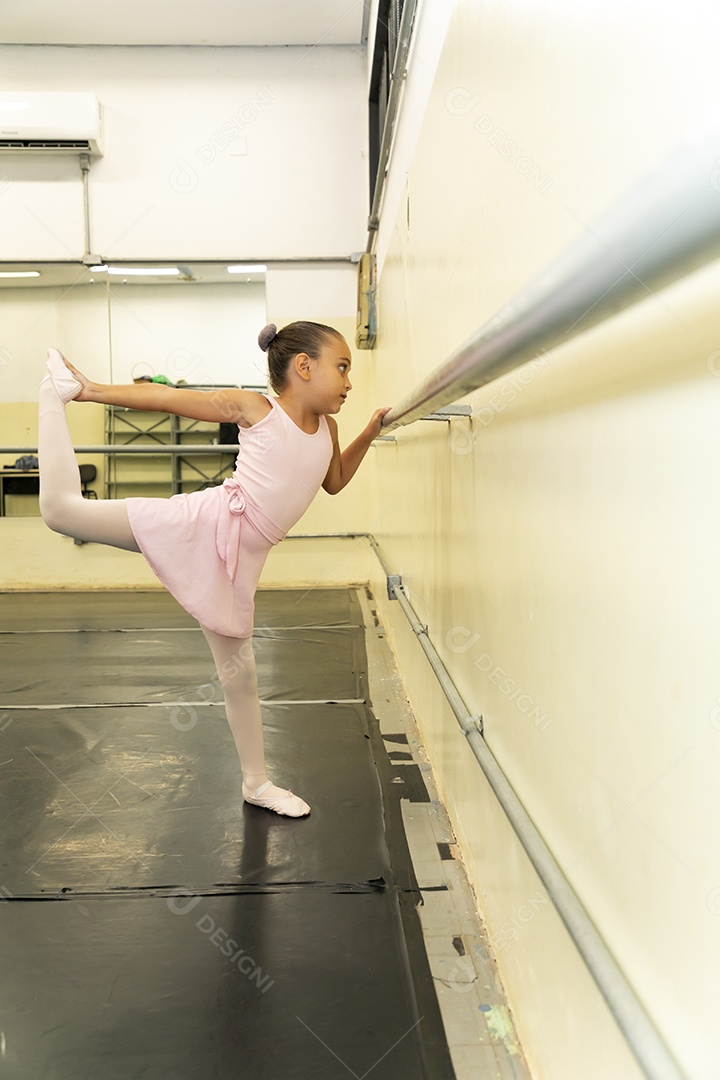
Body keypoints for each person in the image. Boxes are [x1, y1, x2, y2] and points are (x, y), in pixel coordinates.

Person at [39, 321, 391, 818]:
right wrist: (90, 391)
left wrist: (371, 431)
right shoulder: (256, 410)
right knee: (61, 512)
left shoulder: (328, 430)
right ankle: (51, 396)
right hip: (205, 524)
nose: (349, 382)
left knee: (238, 675)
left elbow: (333, 481)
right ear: (304, 366)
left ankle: (257, 784)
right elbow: (170, 402)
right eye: (343, 367)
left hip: (239, 563)